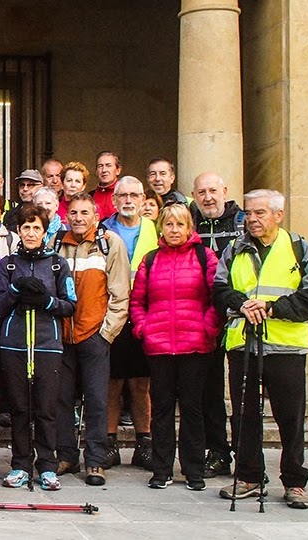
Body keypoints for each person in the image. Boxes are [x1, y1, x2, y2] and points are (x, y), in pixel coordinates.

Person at [214, 189, 308, 509]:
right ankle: (249, 476)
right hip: (243, 344)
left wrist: (272, 308)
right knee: (244, 415)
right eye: (248, 213)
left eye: (259, 213)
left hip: (286, 347)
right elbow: (220, 290)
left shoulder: (299, 248)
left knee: (290, 418)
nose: (252, 219)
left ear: (278, 215)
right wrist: (241, 304)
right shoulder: (235, 248)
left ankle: (294, 481)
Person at [130, 203, 220, 491]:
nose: (174, 230)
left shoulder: (205, 257)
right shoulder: (151, 260)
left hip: (195, 345)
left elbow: (216, 298)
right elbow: (137, 301)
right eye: (169, 224)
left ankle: (193, 470)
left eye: (180, 224)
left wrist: (208, 328)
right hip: (159, 345)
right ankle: (162, 469)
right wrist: (143, 328)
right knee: (162, 409)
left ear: (189, 227)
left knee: (192, 409)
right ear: (161, 228)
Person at [0, 204, 77, 491]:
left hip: (47, 344)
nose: (31, 233)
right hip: (14, 344)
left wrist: (47, 302)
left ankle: (47, 466)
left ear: (44, 231)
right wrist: (16, 290)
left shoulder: (57, 264)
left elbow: (70, 305)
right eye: (26, 227)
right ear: (18, 230)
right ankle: (20, 464)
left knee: (46, 408)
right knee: (19, 408)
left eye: (36, 228)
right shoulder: (8, 264)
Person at [54, 194, 130, 487]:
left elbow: (120, 294)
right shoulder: (57, 244)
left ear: (96, 216)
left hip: (94, 334)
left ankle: (96, 459)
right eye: (73, 212)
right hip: (62, 336)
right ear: (67, 216)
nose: (78, 218)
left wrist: (106, 333)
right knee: (61, 398)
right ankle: (66, 455)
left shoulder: (110, 243)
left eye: (85, 212)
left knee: (97, 399)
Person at [189, 171, 245, 478]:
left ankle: (247, 458)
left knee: (242, 393)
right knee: (209, 391)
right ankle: (218, 452)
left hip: (239, 319)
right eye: (201, 192)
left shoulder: (243, 222)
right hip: (203, 318)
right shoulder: (190, 223)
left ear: (225, 190)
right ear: (194, 195)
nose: (208, 197)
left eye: (213, 191)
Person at [102, 176, 158, 470]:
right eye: (122, 195)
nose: (128, 200)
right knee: (111, 382)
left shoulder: (155, 230)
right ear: (113, 200)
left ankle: (144, 443)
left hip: (146, 314)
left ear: (142, 199)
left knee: (140, 383)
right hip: (111, 314)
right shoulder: (102, 231)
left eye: (134, 195)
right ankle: (109, 443)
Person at [90, 151, 122, 221]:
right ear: (96, 171)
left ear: (118, 170)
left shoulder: (125, 195)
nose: (104, 170)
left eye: (108, 165)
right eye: (100, 166)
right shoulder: (90, 196)